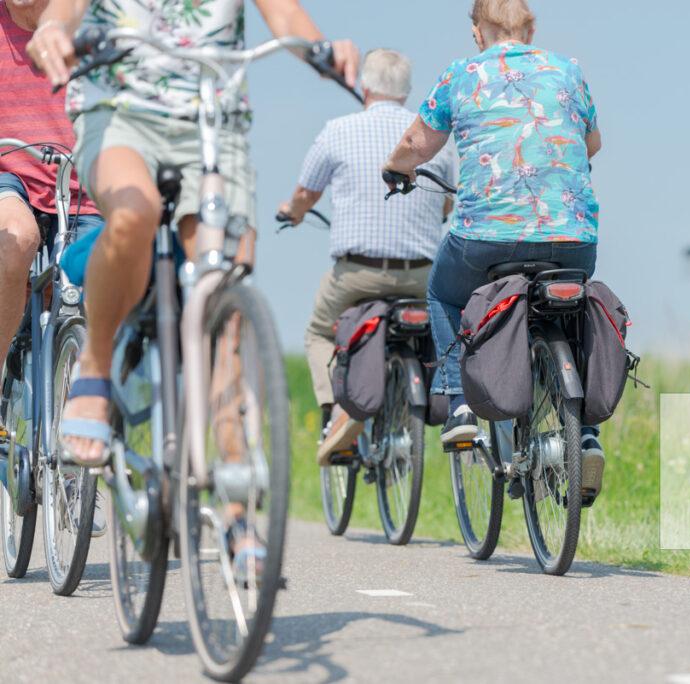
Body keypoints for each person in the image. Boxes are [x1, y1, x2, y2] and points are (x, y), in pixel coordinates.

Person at [27, 0, 358, 467]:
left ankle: (237, 498)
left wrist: (322, 48)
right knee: (134, 213)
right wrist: (52, 30)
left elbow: (283, 15)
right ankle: (95, 369)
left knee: (224, 299)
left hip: (213, 122)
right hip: (119, 111)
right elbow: (66, 9)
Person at [383, 0, 607, 497]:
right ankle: (585, 433)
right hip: (572, 238)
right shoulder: (569, 70)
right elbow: (591, 144)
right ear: (530, 29)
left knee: (442, 293)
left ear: (477, 33)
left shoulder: (461, 74)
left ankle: (459, 402)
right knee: (571, 313)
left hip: (486, 238)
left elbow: (417, 144)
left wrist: (397, 168)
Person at [279, 49, 456, 465]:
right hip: (420, 277)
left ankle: (334, 413)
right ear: (407, 92)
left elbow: (305, 194)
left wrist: (292, 212)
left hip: (357, 274)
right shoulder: (433, 138)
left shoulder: (337, 131)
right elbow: (446, 204)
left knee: (318, 332)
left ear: (365, 87)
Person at [1, 0, 105, 534]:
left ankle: (75, 447)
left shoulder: (87, 17)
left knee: (102, 287)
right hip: (8, 173)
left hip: (80, 184)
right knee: (13, 238)